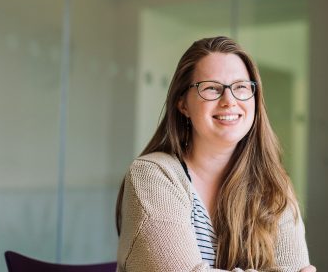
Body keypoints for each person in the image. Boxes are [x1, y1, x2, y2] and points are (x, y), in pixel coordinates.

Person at [115, 36, 315, 272]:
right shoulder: (151, 175)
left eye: (241, 87)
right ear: (183, 104)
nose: (229, 101)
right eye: (211, 88)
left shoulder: (274, 185)